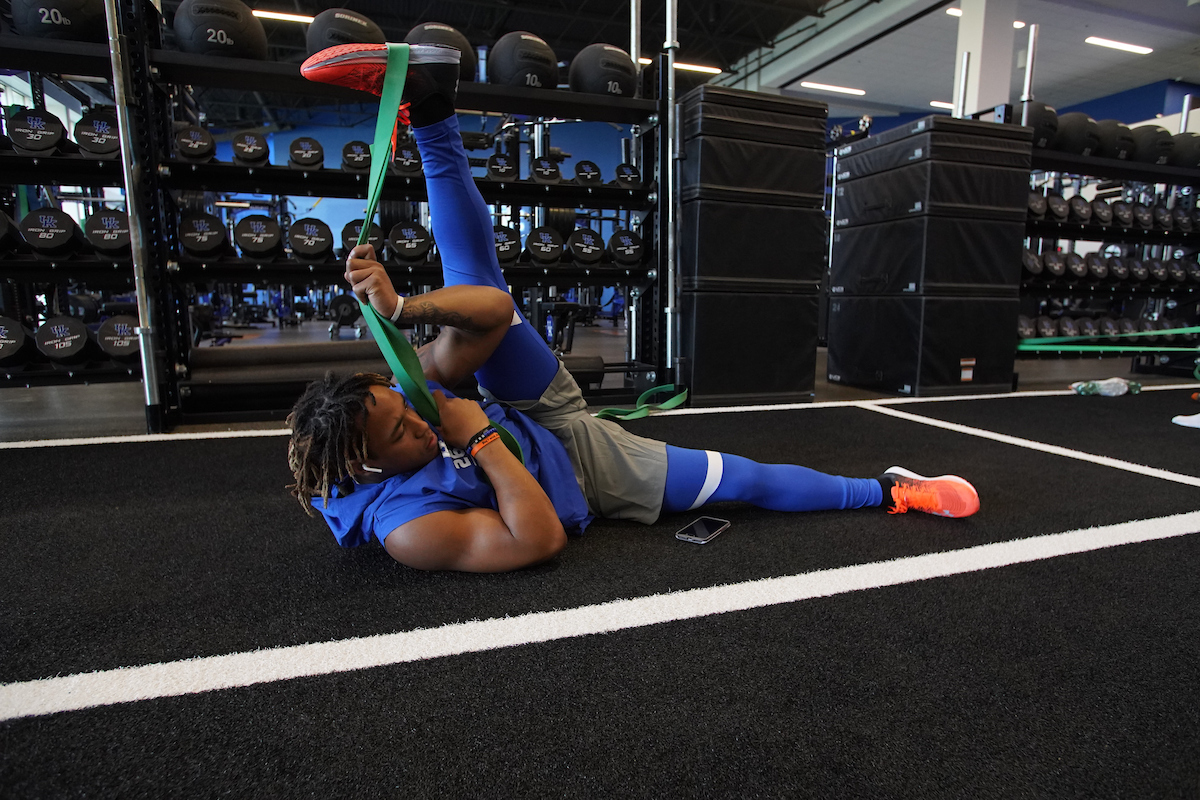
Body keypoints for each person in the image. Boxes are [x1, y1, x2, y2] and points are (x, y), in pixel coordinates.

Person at [287, 42, 980, 573]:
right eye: (404, 431)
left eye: (404, 407)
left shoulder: (413, 409)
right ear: (365, 468)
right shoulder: (408, 530)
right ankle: (888, 493)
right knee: (741, 480)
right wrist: (476, 439)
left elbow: (493, 310)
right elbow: (539, 539)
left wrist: (405, 307)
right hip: (584, 465)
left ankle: (432, 109)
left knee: (477, 281)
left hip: (535, 410)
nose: (419, 417)